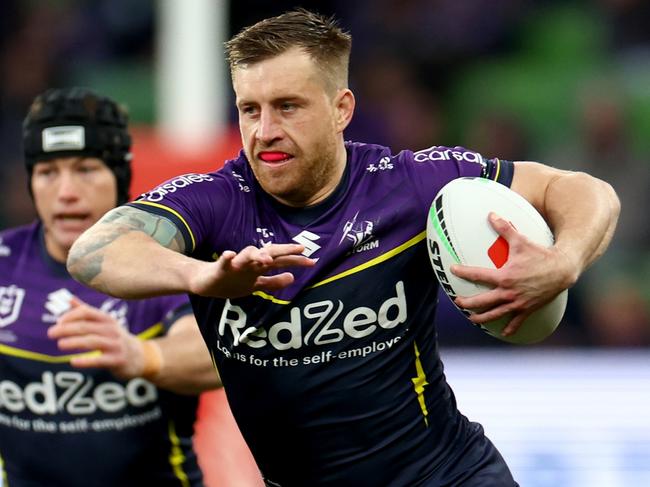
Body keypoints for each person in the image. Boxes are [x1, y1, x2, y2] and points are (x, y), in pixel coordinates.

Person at [67, 10, 620, 487]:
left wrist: (563, 261)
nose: (264, 131)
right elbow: (95, 251)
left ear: (342, 109)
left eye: (287, 106)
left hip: (447, 474)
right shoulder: (214, 201)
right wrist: (200, 277)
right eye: (249, 109)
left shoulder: (407, 185)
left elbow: (581, 190)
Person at [0, 87, 221, 486]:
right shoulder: (4, 266)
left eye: (86, 169)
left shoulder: (162, 260)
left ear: (120, 176)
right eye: (48, 172)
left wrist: (142, 355)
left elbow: (215, 356)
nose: (66, 192)